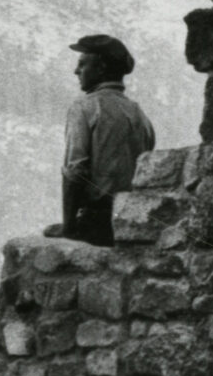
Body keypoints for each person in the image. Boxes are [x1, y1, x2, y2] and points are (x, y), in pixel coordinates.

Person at [51, 33, 156, 245]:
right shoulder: (139, 113)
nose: (76, 71)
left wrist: (69, 228)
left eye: (82, 64)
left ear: (101, 69)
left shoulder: (85, 106)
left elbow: (75, 171)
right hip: (130, 222)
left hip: (96, 223)